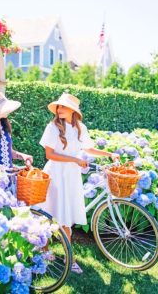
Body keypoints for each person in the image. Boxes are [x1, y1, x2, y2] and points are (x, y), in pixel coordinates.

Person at [38, 93, 119, 274]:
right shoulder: (52, 127)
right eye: (58, 107)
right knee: (50, 212)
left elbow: (88, 149)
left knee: (67, 217)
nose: (59, 110)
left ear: (73, 110)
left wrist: (109, 154)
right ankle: (50, 252)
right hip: (55, 173)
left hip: (71, 176)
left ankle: (65, 256)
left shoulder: (80, 128)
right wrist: (74, 160)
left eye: (63, 107)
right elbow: (49, 155)